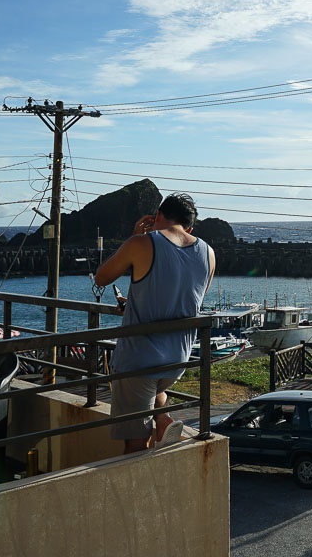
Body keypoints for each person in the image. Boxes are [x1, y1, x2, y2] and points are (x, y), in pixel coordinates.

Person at [93, 193, 215, 453]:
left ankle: (139, 490)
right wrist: (137, 301)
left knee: (135, 445)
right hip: (177, 359)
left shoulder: (142, 242)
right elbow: (187, 299)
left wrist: (135, 238)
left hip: (139, 360)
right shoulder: (208, 252)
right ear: (189, 227)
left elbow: (102, 277)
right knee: (154, 392)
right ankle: (164, 419)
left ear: (157, 216)